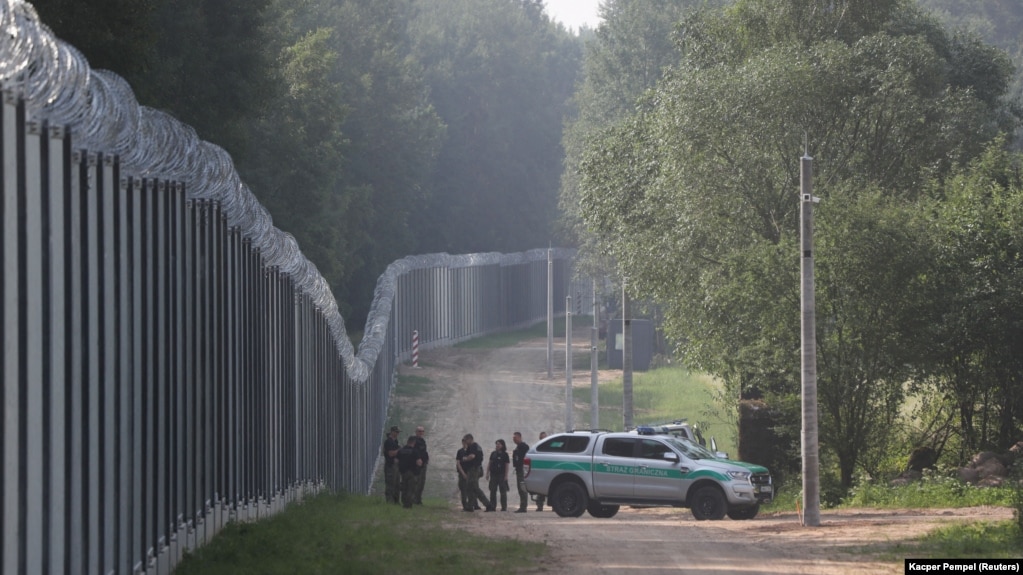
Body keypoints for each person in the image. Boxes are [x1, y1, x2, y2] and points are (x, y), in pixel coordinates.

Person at [457, 433, 492, 512]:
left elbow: (472, 456)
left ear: (470, 439)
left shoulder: (473, 446)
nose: (465, 442)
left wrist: (465, 458)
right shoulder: (477, 446)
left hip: (473, 469)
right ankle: (470, 506)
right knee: (470, 488)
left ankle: (488, 504)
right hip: (474, 469)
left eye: (466, 440)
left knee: (474, 487)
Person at [396, 435, 423, 508]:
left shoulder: (401, 450)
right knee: (411, 489)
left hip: (403, 472)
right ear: (414, 442)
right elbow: (419, 462)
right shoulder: (414, 451)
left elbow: (396, 461)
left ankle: (404, 502)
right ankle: (408, 504)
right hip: (412, 472)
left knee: (404, 488)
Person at [486, 439, 511, 511]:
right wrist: (487, 473)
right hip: (493, 474)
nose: (497, 445)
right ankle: (492, 506)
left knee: (503, 491)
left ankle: (504, 507)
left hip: (501, 475)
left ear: (502, 445)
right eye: (496, 444)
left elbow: (507, 465)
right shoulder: (493, 454)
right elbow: (489, 463)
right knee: (492, 491)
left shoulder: (505, 454)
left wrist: (506, 476)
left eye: (499, 444)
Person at [511, 431, 530, 512]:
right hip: (518, 469)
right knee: (520, 488)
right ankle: (522, 506)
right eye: (513, 438)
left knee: (522, 488)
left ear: (519, 437)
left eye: (515, 438)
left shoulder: (524, 447)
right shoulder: (518, 447)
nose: (514, 439)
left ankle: (523, 506)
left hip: (522, 469)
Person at [382, 425, 402, 504]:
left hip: (396, 466)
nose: (397, 434)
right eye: (396, 432)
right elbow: (390, 453)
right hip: (390, 466)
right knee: (390, 484)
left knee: (397, 484)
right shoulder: (388, 442)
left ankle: (396, 501)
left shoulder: (395, 441)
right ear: (392, 432)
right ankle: (390, 501)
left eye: (398, 432)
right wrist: (399, 450)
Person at [413, 426, 429, 504]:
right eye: (419, 431)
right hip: (416, 465)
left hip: (423, 464)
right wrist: (417, 459)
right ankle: (413, 499)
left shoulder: (422, 441)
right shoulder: (414, 440)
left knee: (421, 482)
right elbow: (414, 451)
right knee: (416, 482)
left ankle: (418, 499)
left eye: (422, 431)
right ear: (416, 432)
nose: (421, 433)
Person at [535, 431, 548, 511]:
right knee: (540, 490)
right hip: (541, 471)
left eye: (545, 437)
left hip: (549, 470)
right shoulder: (538, 447)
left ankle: (554, 506)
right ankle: (539, 506)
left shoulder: (550, 446)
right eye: (542, 437)